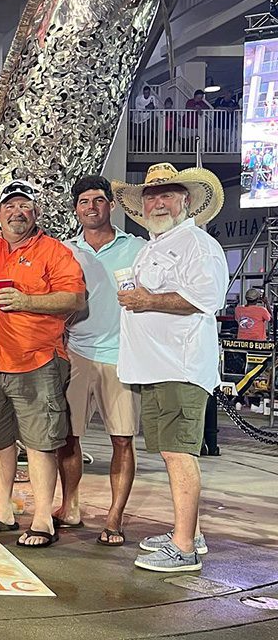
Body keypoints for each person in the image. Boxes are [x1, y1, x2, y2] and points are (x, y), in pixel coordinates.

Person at [112, 163, 228, 573]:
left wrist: (147, 301)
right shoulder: (152, 246)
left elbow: (206, 298)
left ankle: (183, 550)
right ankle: (188, 531)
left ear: (186, 201)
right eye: (150, 196)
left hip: (179, 366)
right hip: (155, 367)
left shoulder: (197, 244)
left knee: (180, 453)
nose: (157, 202)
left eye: (167, 194)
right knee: (170, 452)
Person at [0, 179, 85, 549]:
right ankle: (4, 508)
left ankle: (42, 517)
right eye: (9, 206)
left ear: (35, 213)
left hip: (38, 360)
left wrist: (27, 302)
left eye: (24, 206)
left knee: (41, 443)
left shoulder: (54, 252)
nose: (17, 212)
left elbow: (74, 298)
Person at [56, 175, 147, 546]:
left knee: (122, 440)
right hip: (76, 353)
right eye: (83, 202)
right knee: (67, 438)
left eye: (98, 200)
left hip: (122, 356)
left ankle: (114, 517)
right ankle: (70, 505)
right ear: (76, 209)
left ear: (111, 204)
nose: (91, 207)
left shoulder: (137, 247)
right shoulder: (65, 250)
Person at [133, 85, 158, 150]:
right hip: (138, 118)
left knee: (146, 134)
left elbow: (153, 107)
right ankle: (138, 148)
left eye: (148, 93)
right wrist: (146, 107)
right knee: (138, 134)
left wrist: (149, 107)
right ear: (143, 93)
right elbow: (137, 108)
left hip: (147, 118)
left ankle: (146, 148)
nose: (147, 94)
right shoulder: (138, 98)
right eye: (145, 93)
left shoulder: (152, 98)